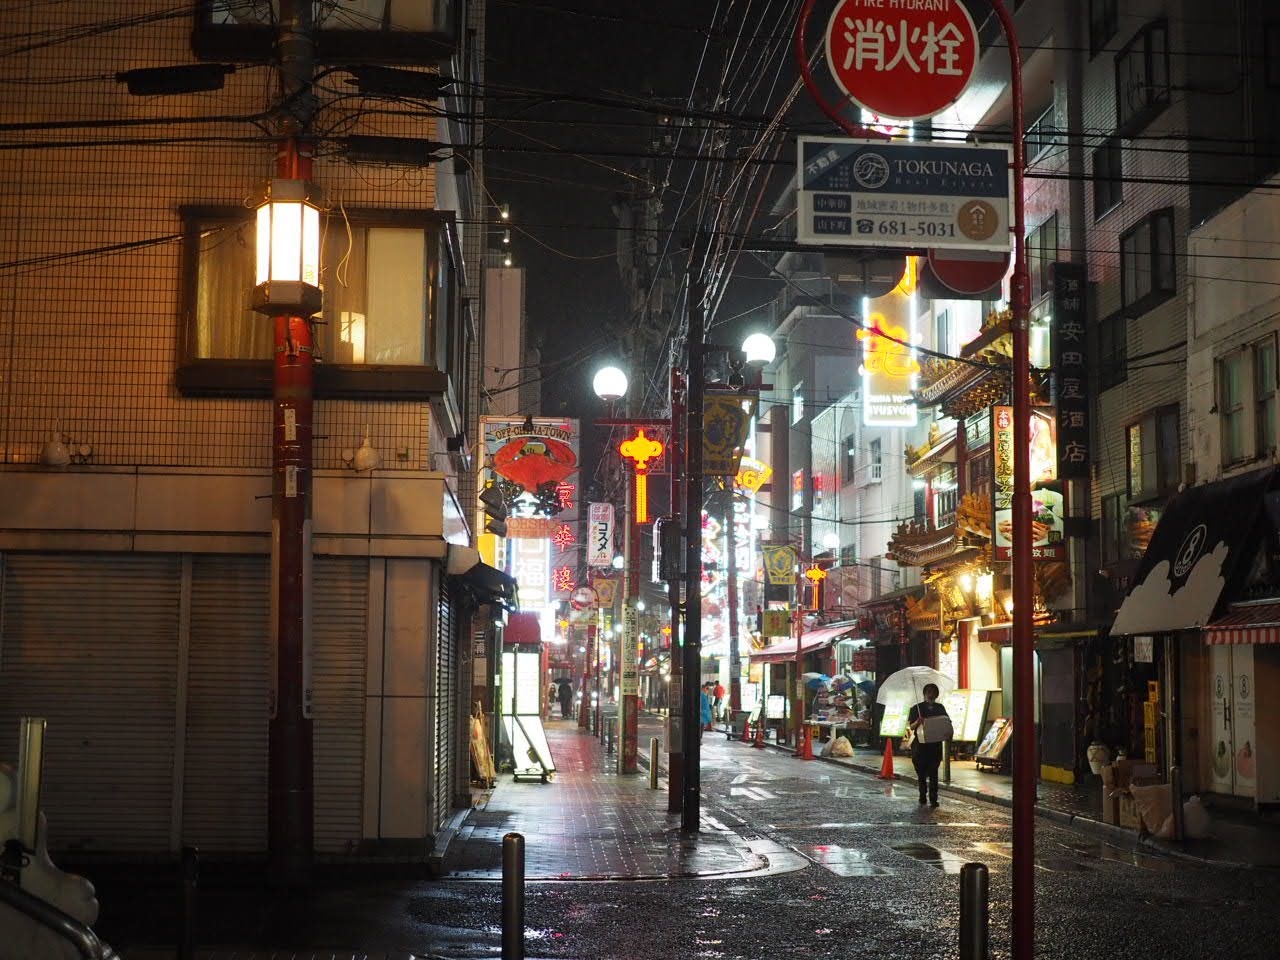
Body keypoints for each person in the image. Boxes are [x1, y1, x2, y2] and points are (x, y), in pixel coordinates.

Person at [908, 682, 950, 808]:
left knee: (933, 773)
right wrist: (918, 722)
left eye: (933, 692)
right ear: (924, 693)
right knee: (921, 772)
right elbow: (911, 726)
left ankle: (933, 798)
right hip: (920, 746)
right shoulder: (917, 708)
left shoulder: (940, 708)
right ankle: (922, 794)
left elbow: (946, 721)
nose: (931, 694)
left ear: (936, 695)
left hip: (935, 745)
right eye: (928, 692)